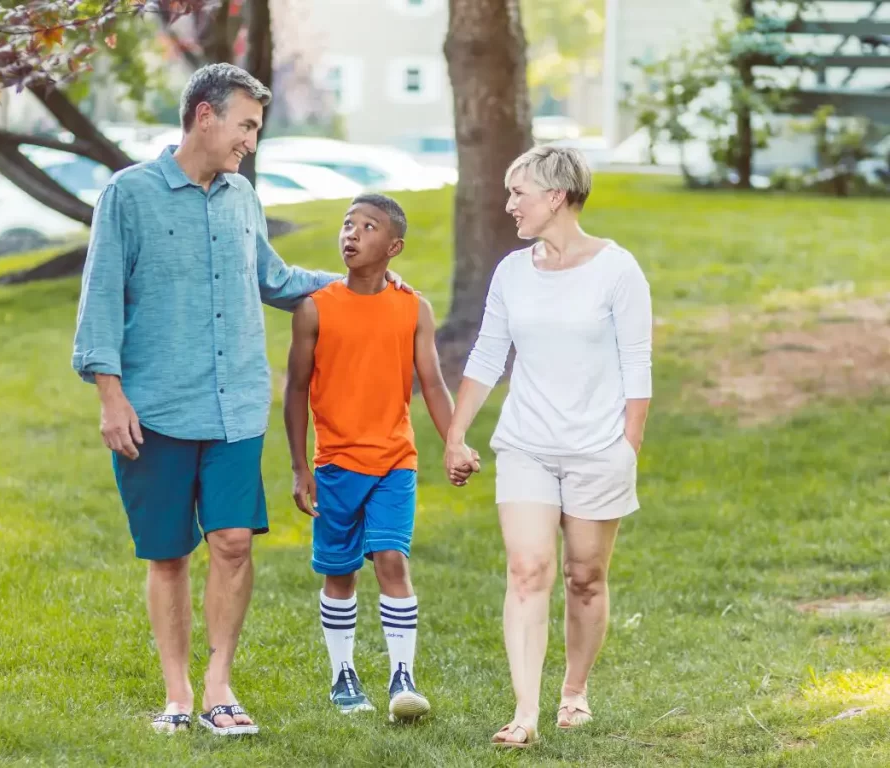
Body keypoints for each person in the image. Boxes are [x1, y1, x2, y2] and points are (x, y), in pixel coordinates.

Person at [71, 63, 409, 737]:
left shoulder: (240, 197)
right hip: (155, 408)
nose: (250, 140)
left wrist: (357, 285)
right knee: (168, 554)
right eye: (246, 125)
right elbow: (100, 301)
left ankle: (219, 686)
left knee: (231, 543)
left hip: (234, 408)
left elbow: (274, 278)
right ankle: (177, 693)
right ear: (205, 116)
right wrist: (111, 397)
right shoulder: (128, 196)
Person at [443, 146, 652, 747]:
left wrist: (627, 446)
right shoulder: (512, 271)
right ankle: (526, 712)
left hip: (598, 448)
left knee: (584, 575)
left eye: (519, 193)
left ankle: (574, 691)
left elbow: (637, 364)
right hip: (527, 444)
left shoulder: (618, 270)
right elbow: (488, 354)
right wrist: (457, 432)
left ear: (556, 196)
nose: (508, 204)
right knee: (528, 568)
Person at [283, 194, 478, 723]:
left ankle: (401, 677)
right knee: (341, 572)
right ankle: (342, 675)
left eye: (367, 227)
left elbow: (433, 383)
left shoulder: (413, 308)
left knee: (393, 560)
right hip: (335, 466)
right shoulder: (315, 307)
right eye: (347, 224)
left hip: (395, 461)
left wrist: (454, 441)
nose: (351, 234)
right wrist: (301, 467)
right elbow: (296, 389)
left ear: (393, 247)